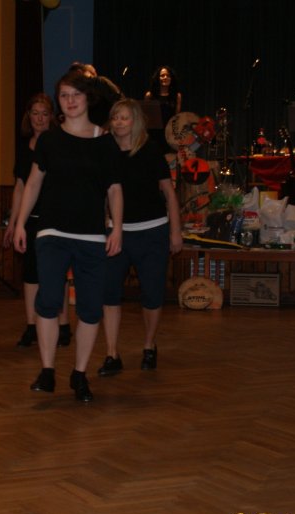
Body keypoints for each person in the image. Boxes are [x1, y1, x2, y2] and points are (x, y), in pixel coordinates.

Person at [13, 70, 124, 402]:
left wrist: (117, 227)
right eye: (64, 95)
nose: (70, 100)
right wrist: (20, 223)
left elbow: (114, 189)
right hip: (52, 232)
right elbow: (33, 183)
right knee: (48, 300)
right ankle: (47, 371)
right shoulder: (49, 140)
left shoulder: (105, 142)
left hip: (91, 236)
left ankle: (79, 374)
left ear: (88, 98)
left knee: (90, 309)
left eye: (76, 94)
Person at [96, 99, 183, 377]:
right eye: (115, 117)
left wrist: (175, 231)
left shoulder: (150, 150)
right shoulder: (106, 152)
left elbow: (169, 193)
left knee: (152, 295)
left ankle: (149, 345)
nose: (119, 122)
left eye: (124, 117)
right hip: (116, 233)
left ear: (136, 121)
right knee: (109, 293)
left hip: (152, 232)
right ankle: (112, 353)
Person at [3, 93, 71, 348]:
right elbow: (21, 186)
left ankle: (63, 326)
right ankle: (31, 326)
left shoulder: (59, 144)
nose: (40, 118)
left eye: (44, 114)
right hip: (30, 220)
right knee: (30, 273)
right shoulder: (24, 148)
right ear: (28, 117)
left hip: (55, 219)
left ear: (51, 117)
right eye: (35, 113)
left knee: (57, 274)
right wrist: (13, 222)